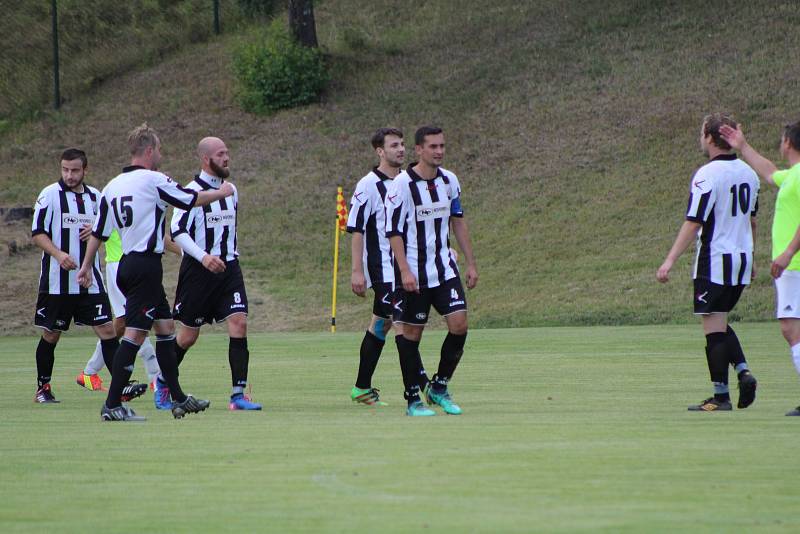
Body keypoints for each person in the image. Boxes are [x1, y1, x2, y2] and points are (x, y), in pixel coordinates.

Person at [77, 123, 234, 421]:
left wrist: (86, 266)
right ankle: (112, 405)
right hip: (145, 266)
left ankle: (177, 398)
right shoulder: (153, 179)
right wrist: (221, 191)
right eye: (159, 150)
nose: (161, 155)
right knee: (135, 334)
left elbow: (98, 231)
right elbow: (189, 199)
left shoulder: (112, 186)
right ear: (149, 151)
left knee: (165, 330)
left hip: (127, 265)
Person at [657, 113, 759, 412]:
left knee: (713, 328)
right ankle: (742, 372)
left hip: (714, 261)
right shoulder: (749, 174)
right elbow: (752, 221)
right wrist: (752, 257)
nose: (700, 139)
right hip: (740, 261)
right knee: (719, 321)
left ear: (711, 137)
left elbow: (693, 222)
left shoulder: (707, 175)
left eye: (702, 133)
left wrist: (669, 260)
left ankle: (721, 396)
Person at [157, 136, 261, 411]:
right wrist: (203, 257)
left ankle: (238, 395)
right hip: (198, 271)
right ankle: (163, 382)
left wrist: (226, 254)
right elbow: (177, 231)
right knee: (189, 335)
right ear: (206, 159)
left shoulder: (231, 190)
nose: (227, 158)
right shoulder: (189, 192)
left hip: (229, 268)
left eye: (227, 152)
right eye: (220, 154)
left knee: (239, 322)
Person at [384, 126, 479, 416]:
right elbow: (394, 232)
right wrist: (404, 271)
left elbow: (458, 221)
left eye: (442, 146)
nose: (439, 151)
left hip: (444, 269)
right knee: (411, 334)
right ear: (419, 150)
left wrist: (471, 262)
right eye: (433, 146)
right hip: (414, 273)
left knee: (459, 325)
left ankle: (439, 386)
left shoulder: (450, 180)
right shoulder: (402, 185)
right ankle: (413, 397)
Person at [720, 119, 800, 416]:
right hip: (792, 267)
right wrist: (742, 147)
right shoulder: (792, 175)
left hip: (795, 266)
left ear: (788, 143)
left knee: (791, 328)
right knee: (792, 329)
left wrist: (788, 252)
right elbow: (769, 172)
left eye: (781, 140)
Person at [30, 148, 122, 403]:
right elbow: (37, 233)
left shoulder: (95, 197)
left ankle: (119, 388)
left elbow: (111, 226)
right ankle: (43, 389)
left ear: (85, 170)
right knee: (51, 334)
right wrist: (59, 255)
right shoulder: (49, 195)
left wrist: (97, 228)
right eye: (65, 170)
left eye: (75, 170)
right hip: (57, 282)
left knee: (106, 330)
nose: (69, 175)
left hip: (90, 280)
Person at [346, 127, 430, 406]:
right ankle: (425, 385)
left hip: (407, 267)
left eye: (403, 144)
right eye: (394, 145)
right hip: (382, 270)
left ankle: (361, 388)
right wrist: (357, 271)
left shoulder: (408, 181)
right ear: (380, 151)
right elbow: (356, 229)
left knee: (380, 325)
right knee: (401, 324)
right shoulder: (367, 185)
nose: (401, 149)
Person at [76, 228, 161, 392]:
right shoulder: (111, 202)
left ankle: (89, 372)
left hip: (137, 264)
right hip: (119, 265)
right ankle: (156, 377)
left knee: (124, 323)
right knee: (134, 321)